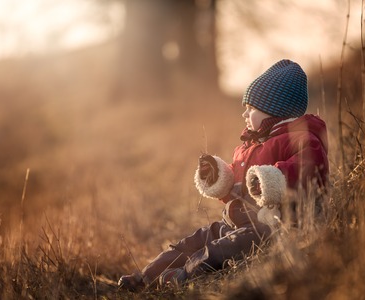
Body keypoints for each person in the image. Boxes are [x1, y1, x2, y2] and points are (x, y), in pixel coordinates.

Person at [118, 59, 329, 291]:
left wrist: (270, 179)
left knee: (217, 251)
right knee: (193, 241)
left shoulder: (300, 138)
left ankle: (184, 275)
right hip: (234, 222)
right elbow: (237, 184)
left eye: (251, 108)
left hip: (267, 228)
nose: (244, 114)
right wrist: (216, 176)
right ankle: (145, 277)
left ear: (274, 110)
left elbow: (309, 170)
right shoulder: (250, 145)